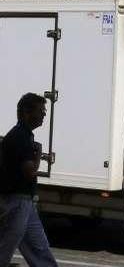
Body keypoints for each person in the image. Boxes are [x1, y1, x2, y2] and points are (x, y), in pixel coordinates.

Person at [0, 93, 58, 267]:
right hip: (16, 202)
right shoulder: (20, 137)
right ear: (26, 112)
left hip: (24, 201)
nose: (44, 115)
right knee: (5, 247)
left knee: (38, 246)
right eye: (41, 110)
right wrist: (39, 155)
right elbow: (30, 171)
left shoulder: (23, 135)